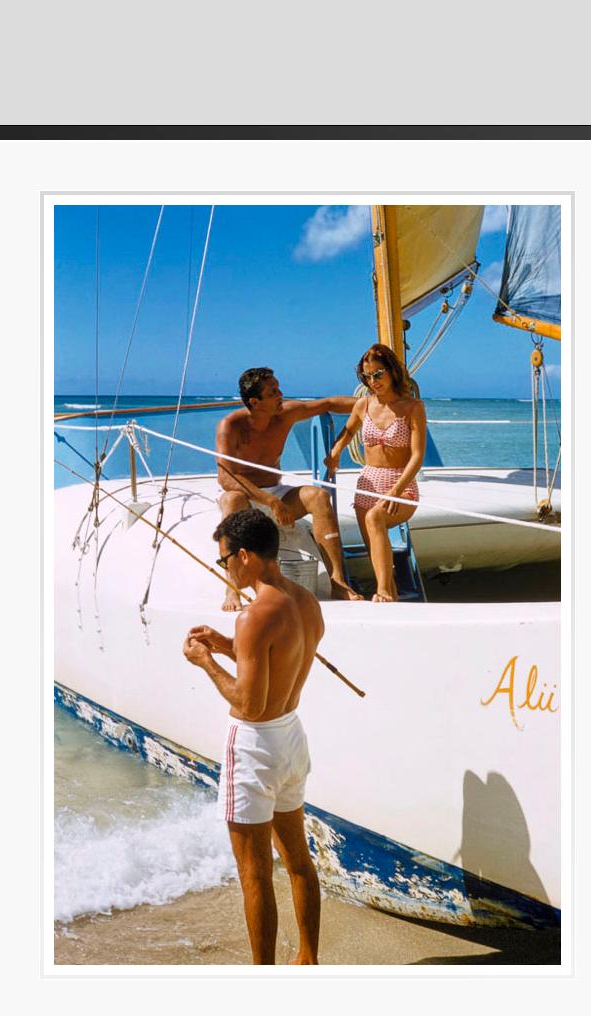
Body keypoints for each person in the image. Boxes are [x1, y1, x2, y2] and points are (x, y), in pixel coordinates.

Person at [182, 508, 324, 965]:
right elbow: (278, 655)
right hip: (292, 738)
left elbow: (250, 704)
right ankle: (307, 960)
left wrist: (206, 662)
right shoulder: (307, 603)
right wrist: (228, 644)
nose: (225, 569)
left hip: (256, 745)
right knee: (299, 861)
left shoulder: (254, 615)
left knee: (254, 873)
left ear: (245, 556)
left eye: (225, 561)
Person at [215, 367, 363, 609]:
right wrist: (270, 501)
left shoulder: (286, 413)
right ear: (255, 401)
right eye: (273, 391)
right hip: (246, 494)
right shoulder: (231, 425)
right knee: (232, 500)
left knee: (318, 496)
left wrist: (373, 403)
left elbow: (327, 404)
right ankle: (232, 588)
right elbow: (226, 477)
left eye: (278, 387)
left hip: (276, 492)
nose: (280, 394)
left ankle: (338, 580)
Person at [324, 344, 427, 602]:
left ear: (392, 372)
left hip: (400, 484)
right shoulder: (364, 405)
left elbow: (417, 456)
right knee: (377, 555)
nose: (373, 382)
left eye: (378, 374)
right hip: (368, 483)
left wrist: (396, 490)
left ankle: (380, 592)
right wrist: (336, 452)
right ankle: (389, 599)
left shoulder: (413, 407)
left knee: (374, 519)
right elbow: (348, 432)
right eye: (367, 377)